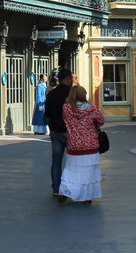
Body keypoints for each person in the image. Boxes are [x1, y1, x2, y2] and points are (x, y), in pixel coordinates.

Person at [59, 84, 105, 204]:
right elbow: (101, 121)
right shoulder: (92, 108)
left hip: (74, 144)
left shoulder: (66, 108)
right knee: (89, 172)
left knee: (70, 169)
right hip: (90, 145)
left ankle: (66, 190)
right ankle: (87, 196)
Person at [44, 68, 74, 197]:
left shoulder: (51, 94)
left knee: (56, 160)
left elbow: (47, 115)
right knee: (72, 160)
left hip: (56, 131)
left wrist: (51, 129)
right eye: (71, 78)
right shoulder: (72, 94)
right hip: (70, 132)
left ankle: (56, 187)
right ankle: (70, 186)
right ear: (67, 79)